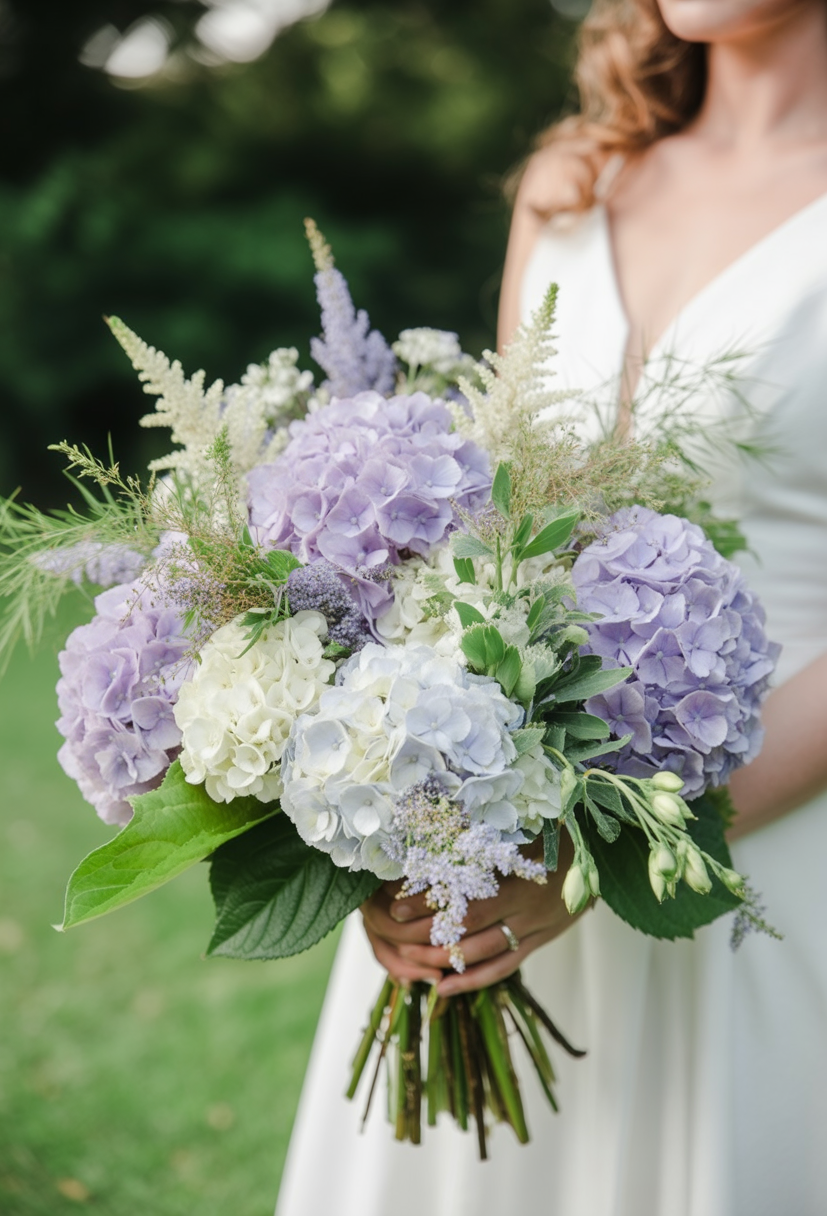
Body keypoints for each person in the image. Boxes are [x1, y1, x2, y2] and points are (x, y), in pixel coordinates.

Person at [276, 2, 827, 1212]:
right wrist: (401, 817)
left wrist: (593, 860)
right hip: (494, 846)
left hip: (768, 847)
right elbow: (488, 510)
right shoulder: (572, 181)